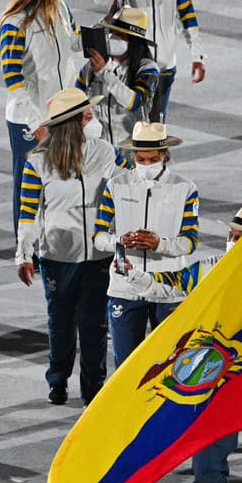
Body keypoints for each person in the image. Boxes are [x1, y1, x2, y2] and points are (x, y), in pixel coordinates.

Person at [118, 204, 242, 483]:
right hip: (217, 370)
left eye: (241, 237)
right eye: (231, 235)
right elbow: (172, 283)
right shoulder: (210, 268)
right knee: (210, 436)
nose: (232, 242)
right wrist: (138, 278)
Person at [15, 89, 127, 405]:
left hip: (98, 256)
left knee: (94, 326)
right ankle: (58, 380)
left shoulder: (104, 151)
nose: (92, 119)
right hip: (56, 256)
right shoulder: (37, 162)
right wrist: (24, 254)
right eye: (87, 115)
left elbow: (130, 183)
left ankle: (94, 390)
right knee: (61, 325)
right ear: (73, 123)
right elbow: (27, 212)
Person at [93, 121, 199, 366]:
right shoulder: (115, 186)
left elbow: (190, 242)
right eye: (141, 159)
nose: (146, 165)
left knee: (172, 364)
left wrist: (158, 243)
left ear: (164, 156)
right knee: (126, 365)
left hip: (169, 287)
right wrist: (121, 240)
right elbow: (99, 237)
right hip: (126, 286)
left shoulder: (185, 188)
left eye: (152, 160)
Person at [0, 0, 82, 234]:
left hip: (63, 110)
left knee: (62, 175)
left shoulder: (62, 10)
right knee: (27, 179)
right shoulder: (14, 23)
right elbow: (13, 79)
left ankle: (55, 236)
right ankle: (25, 245)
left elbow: (74, 45)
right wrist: (36, 122)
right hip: (29, 118)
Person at [74, 7, 159, 146]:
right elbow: (77, 98)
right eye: (111, 32)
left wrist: (104, 73)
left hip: (131, 147)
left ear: (134, 40)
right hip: (99, 147)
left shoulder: (147, 68)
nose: (112, 37)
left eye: (120, 35)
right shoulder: (91, 67)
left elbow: (134, 102)